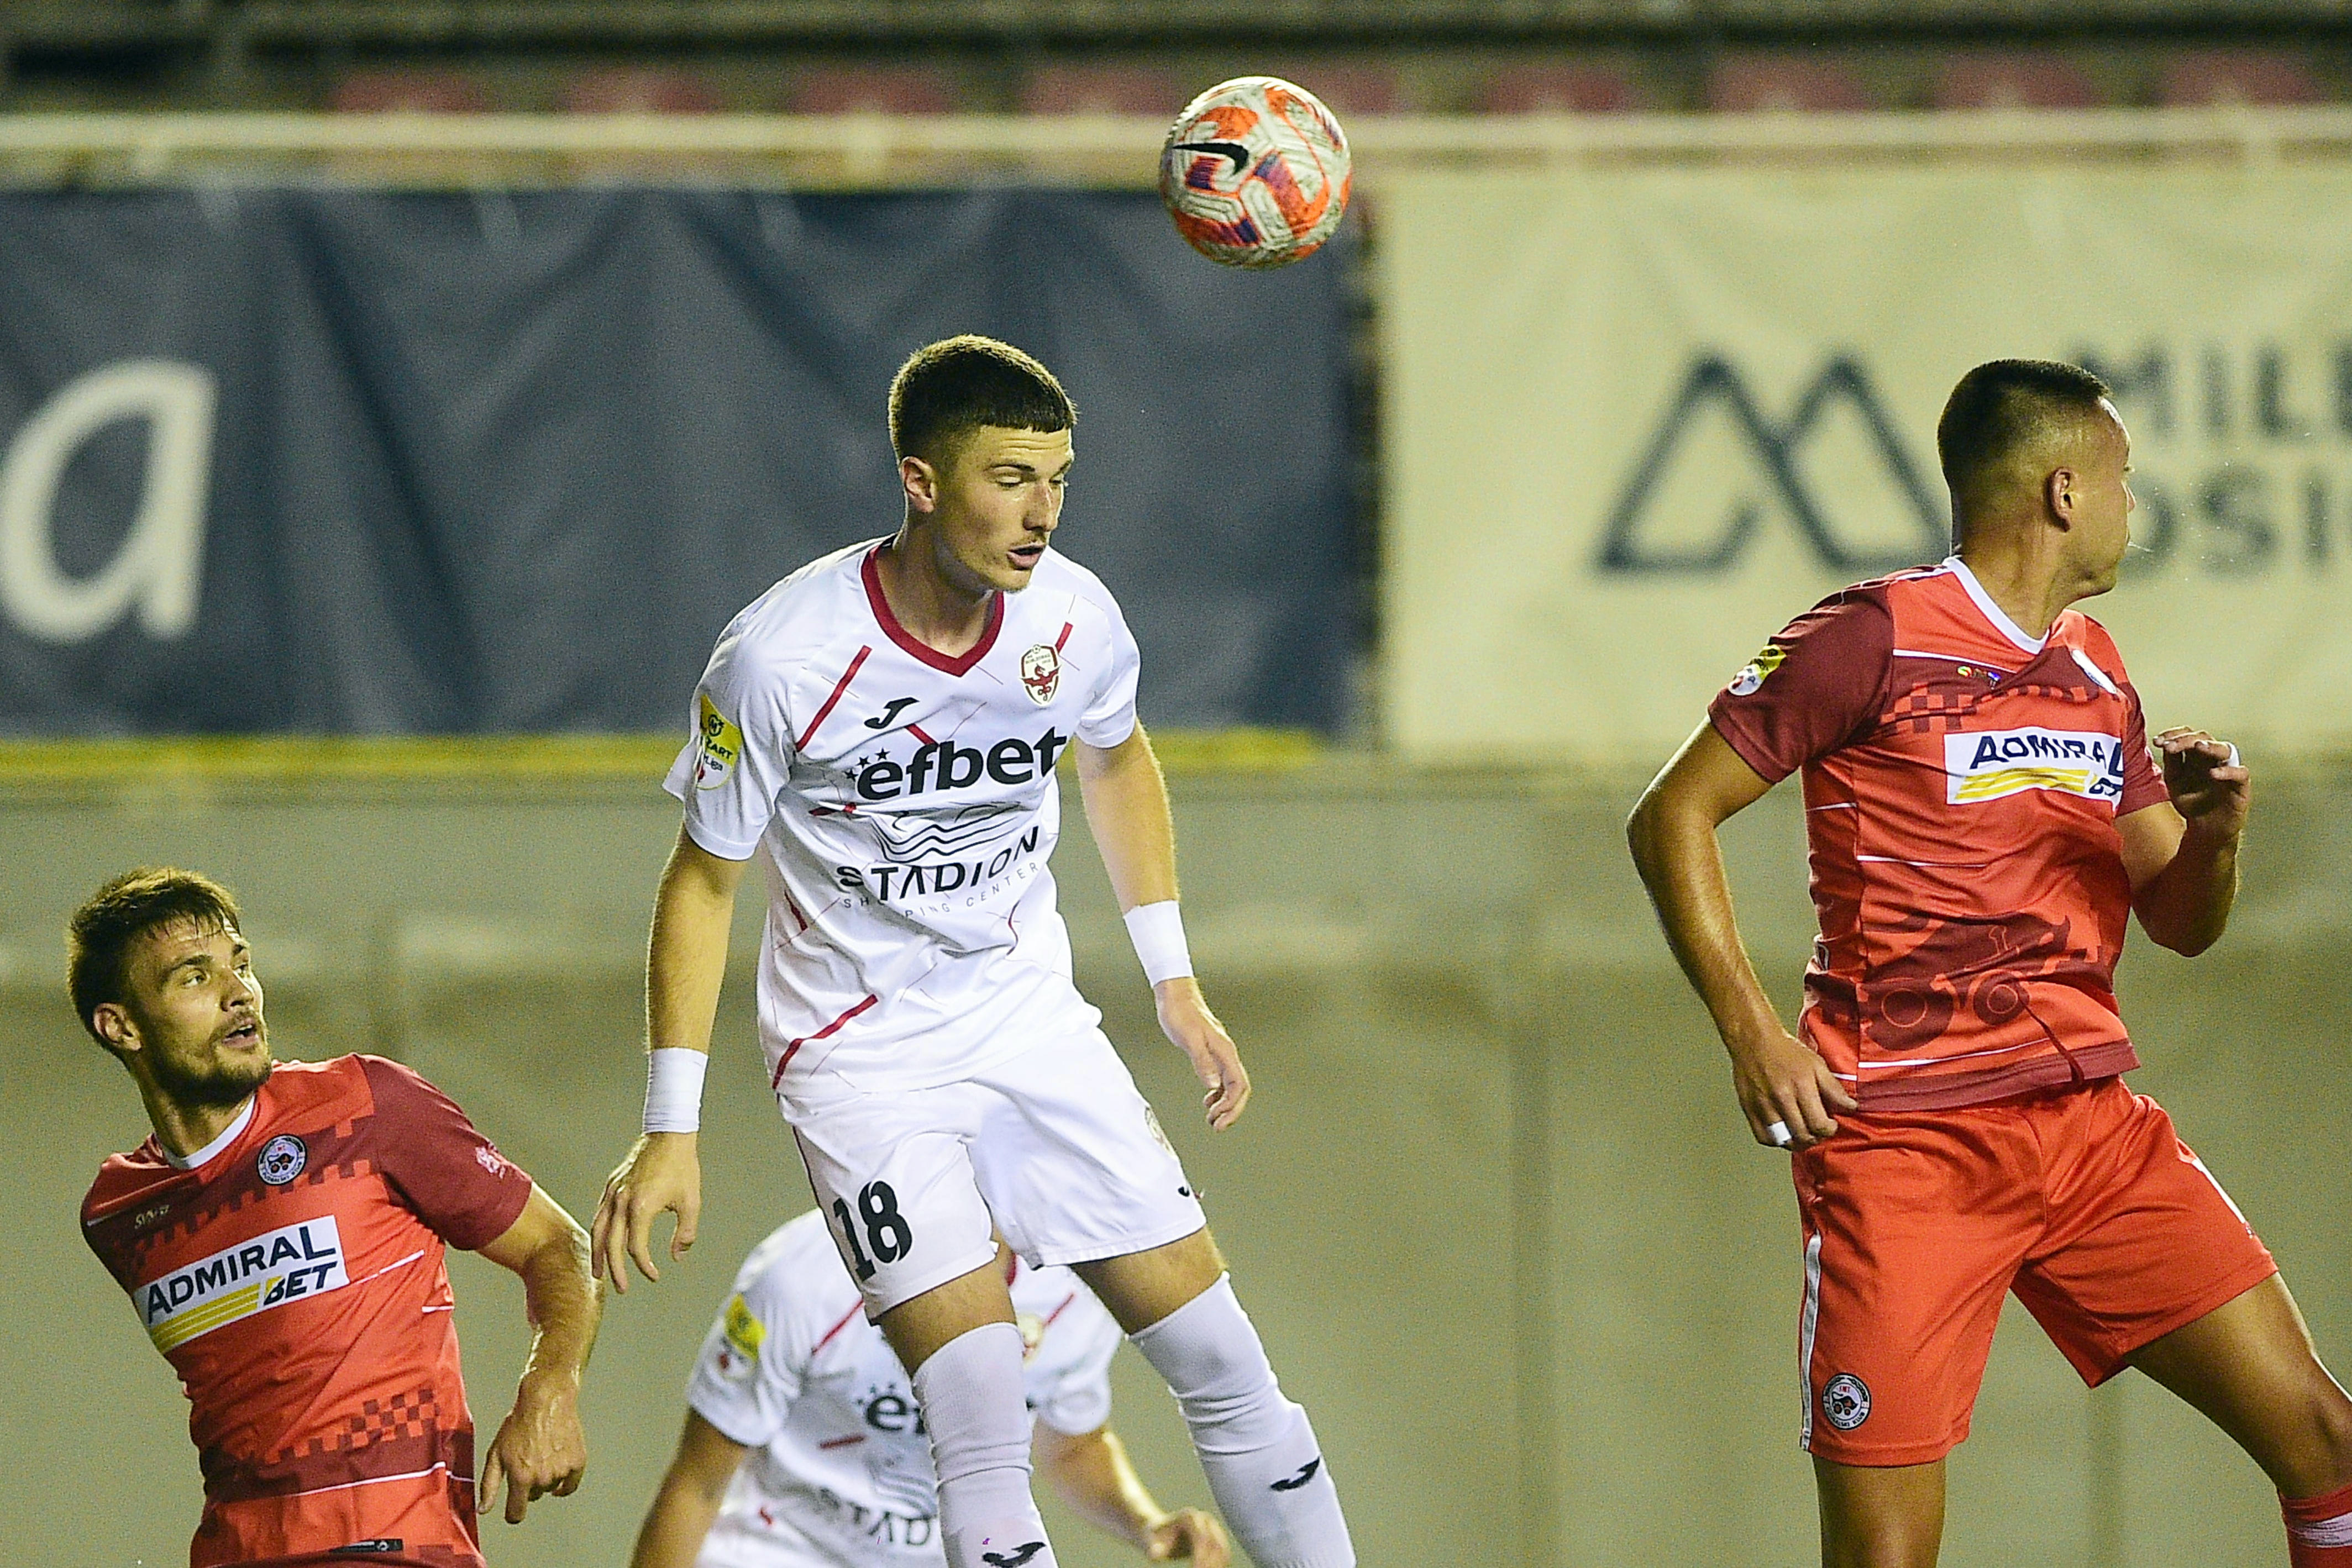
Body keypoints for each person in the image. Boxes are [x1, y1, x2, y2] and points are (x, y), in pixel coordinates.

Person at [592, 334, 1354, 1568]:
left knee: (1219, 1355)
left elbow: (1113, 757)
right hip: (862, 1061)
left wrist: (1174, 984)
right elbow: (702, 878)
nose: (1041, 512)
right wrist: (670, 1124)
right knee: (983, 1413)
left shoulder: (1073, 617)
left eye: (1058, 478)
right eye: (1009, 477)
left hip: (1025, 1020)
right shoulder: (780, 657)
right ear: (921, 479)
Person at [1626, 359, 2352, 1566]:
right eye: (2124, 480)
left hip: (2089, 1131)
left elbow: (2180, 918)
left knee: (2326, 1447)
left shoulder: (2093, 665)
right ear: (2065, 490)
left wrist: (2216, 832)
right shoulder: (1869, 639)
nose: (2134, 505)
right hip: (1908, 1148)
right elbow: (1669, 815)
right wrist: (1752, 1031)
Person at [74, 867, 602, 1568]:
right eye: (194, 978)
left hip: (400, 1549)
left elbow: (559, 1247)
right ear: (121, 1026)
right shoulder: (118, 1212)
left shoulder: (369, 1105)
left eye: (242, 964)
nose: (240, 994)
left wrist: (550, 1388)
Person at [628, 1210, 1230, 1568]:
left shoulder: (1073, 1289)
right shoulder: (803, 1276)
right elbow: (697, 1482)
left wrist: (1146, 1524)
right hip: (776, 1552)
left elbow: (1073, 1447)